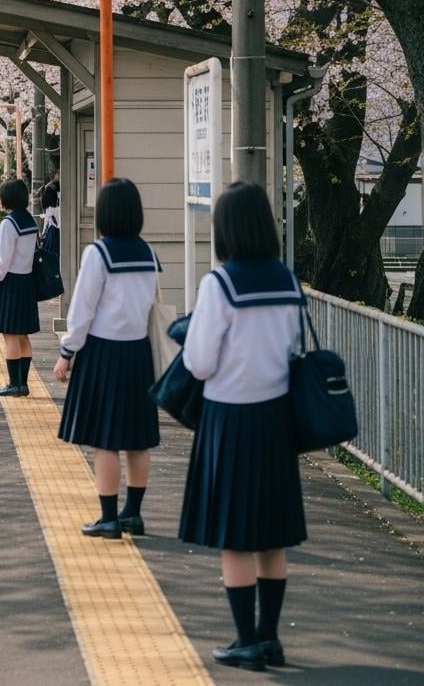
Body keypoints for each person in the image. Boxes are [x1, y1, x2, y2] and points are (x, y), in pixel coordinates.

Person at [179, 181, 306, 673]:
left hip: (230, 419)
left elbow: (199, 362)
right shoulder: (288, 281)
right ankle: (270, 640)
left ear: (225, 228)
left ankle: (245, 640)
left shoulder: (221, 284)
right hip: (275, 419)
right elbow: (294, 348)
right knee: (271, 537)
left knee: (236, 537)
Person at [53, 177, 160, 539]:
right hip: (138, 352)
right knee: (137, 438)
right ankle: (133, 514)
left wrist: (67, 352)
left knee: (106, 439)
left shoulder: (98, 254)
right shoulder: (149, 253)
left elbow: (82, 311)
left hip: (103, 353)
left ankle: (108, 518)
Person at [0, 178, 40, 397]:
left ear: (8, 198)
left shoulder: (9, 223)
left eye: (0, 195)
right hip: (27, 282)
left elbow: (3, 260)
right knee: (23, 335)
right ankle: (22, 383)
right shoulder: (30, 220)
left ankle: (14, 384)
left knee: (10, 336)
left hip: (11, 283)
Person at [40, 175, 60, 255]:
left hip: (52, 236)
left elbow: (47, 224)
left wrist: (42, 235)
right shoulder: (60, 203)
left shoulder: (50, 209)